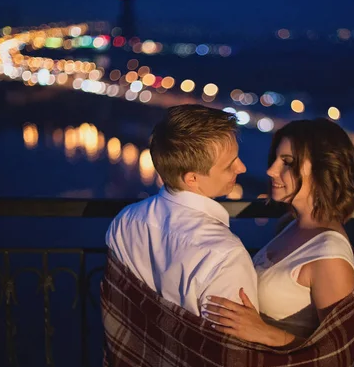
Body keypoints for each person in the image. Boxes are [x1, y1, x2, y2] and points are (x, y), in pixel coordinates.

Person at [204, 118, 354, 346]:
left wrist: (263, 332)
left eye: (287, 162)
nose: (270, 171)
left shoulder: (329, 256)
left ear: (323, 169)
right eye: (275, 160)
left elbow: (339, 350)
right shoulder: (291, 224)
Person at [103, 104, 258, 317]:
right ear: (192, 178)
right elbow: (232, 348)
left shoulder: (126, 220)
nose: (242, 168)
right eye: (229, 165)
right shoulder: (225, 256)